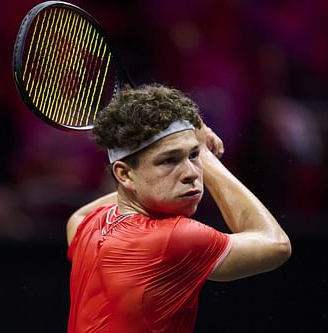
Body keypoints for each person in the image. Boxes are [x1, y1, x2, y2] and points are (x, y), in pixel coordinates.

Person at [66, 84, 291, 333]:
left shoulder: (87, 226)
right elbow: (276, 245)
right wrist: (205, 153)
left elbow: (81, 213)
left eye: (192, 156)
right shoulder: (173, 238)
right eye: (169, 160)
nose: (192, 174)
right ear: (124, 174)